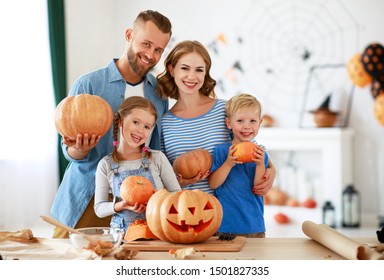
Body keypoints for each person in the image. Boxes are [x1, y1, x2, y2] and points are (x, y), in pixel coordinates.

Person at [50, 10, 172, 238]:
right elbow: (69, 150)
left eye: (158, 50)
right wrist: (80, 149)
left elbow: (155, 150)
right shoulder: (89, 84)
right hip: (85, 198)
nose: (150, 55)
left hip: (135, 203)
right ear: (129, 35)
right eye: (146, 44)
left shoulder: (159, 93)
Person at [157, 40, 276, 194]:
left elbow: (249, 145)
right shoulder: (165, 123)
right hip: (185, 210)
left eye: (199, 70)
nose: (191, 76)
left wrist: (272, 170)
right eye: (185, 68)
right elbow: (162, 177)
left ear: (205, 73)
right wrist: (182, 182)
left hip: (227, 210)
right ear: (172, 70)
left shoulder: (223, 110)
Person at [94, 96, 181, 233]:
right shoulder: (106, 165)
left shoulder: (157, 158)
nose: (141, 130)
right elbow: (99, 209)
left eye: (147, 126)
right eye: (136, 122)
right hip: (122, 239)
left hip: (158, 234)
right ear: (121, 122)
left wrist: (160, 198)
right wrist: (121, 205)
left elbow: (177, 195)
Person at [208, 93, 271, 237]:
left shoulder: (261, 154)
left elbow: (259, 188)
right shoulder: (222, 151)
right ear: (229, 123)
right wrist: (228, 164)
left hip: (254, 226)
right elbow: (213, 184)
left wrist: (261, 164)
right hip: (224, 226)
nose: (247, 126)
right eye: (240, 121)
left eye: (252, 121)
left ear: (260, 123)